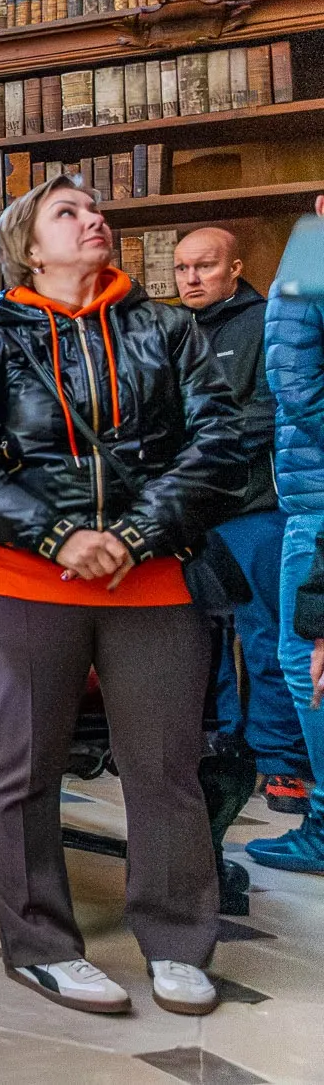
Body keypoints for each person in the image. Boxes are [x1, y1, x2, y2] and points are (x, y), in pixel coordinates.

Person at [0, 173, 245, 1015]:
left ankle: (179, 940)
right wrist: (62, 536)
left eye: (93, 208)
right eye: (67, 213)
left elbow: (219, 444)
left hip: (154, 580)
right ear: (29, 248)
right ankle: (39, 943)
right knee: (24, 768)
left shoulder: (169, 330)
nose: (92, 218)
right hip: (31, 579)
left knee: (165, 769)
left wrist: (135, 535)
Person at [175, 228, 306, 813]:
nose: (191, 279)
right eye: (182, 269)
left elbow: (275, 413)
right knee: (199, 638)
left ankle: (282, 765)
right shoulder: (171, 331)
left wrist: (198, 442)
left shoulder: (260, 323)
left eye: (204, 267)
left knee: (268, 641)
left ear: (235, 268)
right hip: (190, 515)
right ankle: (222, 744)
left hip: (253, 510)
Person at [249, 194, 324, 873]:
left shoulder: (306, 269)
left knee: (307, 661)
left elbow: (296, 391)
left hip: (317, 499)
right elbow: (297, 387)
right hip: (310, 493)